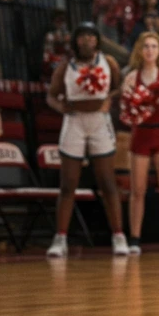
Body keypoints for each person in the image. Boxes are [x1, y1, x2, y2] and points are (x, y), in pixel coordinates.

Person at [44, 23, 128, 258]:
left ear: (97, 40)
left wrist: (109, 100)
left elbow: (119, 88)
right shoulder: (65, 67)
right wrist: (61, 107)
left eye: (91, 36)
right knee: (68, 183)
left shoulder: (108, 62)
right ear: (76, 41)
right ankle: (60, 237)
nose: (87, 40)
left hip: (100, 122)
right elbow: (51, 96)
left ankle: (118, 235)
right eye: (82, 36)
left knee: (107, 182)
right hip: (74, 121)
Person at [120, 31, 159, 254]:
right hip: (141, 134)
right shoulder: (131, 77)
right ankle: (134, 239)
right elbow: (126, 110)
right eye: (145, 46)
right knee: (137, 189)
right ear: (139, 49)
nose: (149, 50)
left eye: (154, 46)